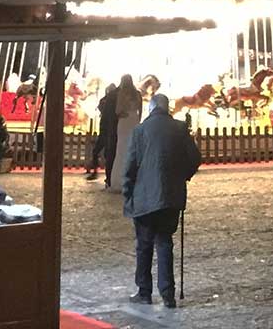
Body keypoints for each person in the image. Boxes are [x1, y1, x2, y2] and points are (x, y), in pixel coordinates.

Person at [123, 94, 202, 308]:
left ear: (150, 109)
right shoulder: (179, 128)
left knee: (144, 245)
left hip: (145, 196)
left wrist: (127, 192)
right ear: (167, 108)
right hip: (171, 196)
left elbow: (130, 165)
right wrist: (182, 175)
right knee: (165, 243)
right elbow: (195, 158)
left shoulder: (140, 131)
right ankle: (168, 294)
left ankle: (144, 291)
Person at [110, 74, 143, 193]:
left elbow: (118, 111)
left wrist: (124, 113)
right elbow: (141, 110)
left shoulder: (122, 94)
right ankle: (134, 178)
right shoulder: (137, 94)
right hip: (133, 120)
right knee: (133, 149)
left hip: (124, 122)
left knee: (121, 150)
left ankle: (118, 180)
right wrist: (137, 119)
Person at [86, 84, 118, 184]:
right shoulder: (107, 100)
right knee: (99, 152)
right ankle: (98, 173)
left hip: (109, 131)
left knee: (107, 154)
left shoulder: (110, 101)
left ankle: (108, 177)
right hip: (106, 130)